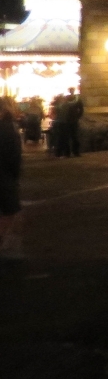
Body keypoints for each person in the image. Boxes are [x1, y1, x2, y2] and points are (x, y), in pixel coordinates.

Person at [0, 97, 25, 260]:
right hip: (4, 175)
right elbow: (14, 156)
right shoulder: (8, 129)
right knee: (10, 211)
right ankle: (7, 246)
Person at [63, 87, 83, 156]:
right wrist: (78, 116)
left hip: (69, 120)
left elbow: (81, 109)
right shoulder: (77, 99)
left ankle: (69, 153)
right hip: (71, 119)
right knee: (73, 137)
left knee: (71, 137)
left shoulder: (66, 99)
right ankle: (74, 152)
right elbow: (81, 109)